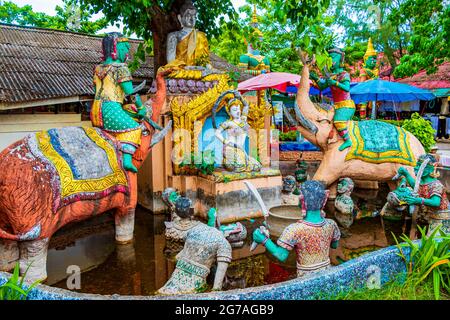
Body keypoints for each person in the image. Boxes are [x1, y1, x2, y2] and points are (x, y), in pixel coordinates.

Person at [252, 180, 341, 277]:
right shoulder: (331, 224)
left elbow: (281, 255)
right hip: (326, 273)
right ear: (324, 200)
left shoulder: (295, 229)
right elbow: (334, 245)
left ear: (302, 201)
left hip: (306, 278)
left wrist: (263, 239)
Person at [91, 32, 146, 172]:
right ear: (117, 47)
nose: (127, 52)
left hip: (96, 110)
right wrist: (140, 107)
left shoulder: (98, 68)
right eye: (126, 47)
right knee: (134, 128)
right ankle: (127, 160)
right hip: (110, 110)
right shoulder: (120, 68)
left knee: (128, 110)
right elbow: (130, 92)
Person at [157, 197, 232, 294]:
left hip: (175, 279)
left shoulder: (194, 230)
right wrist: (215, 291)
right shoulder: (223, 243)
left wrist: (175, 258)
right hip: (194, 286)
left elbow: (179, 256)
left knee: (165, 293)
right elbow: (217, 285)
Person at [310, 47, 355, 151]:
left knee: (338, 121)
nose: (331, 60)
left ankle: (348, 140)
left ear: (340, 59)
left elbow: (347, 88)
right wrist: (315, 78)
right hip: (336, 106)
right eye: (329, 58)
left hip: (346, 105)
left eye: (333, 57)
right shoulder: (330, 75)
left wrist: (335, 83)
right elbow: (322, 86)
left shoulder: (344, 74)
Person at [396, 154, 450, 234]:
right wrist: (406, 174)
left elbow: (436, 202)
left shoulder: (435, 185)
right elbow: (416, 187)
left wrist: (419, 200)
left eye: (419, 166)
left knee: (434, 240)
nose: (416, 168)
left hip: (441, 219)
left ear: (428, 170)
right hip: (429, 216)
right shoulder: (423, 182)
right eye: (416, 165)